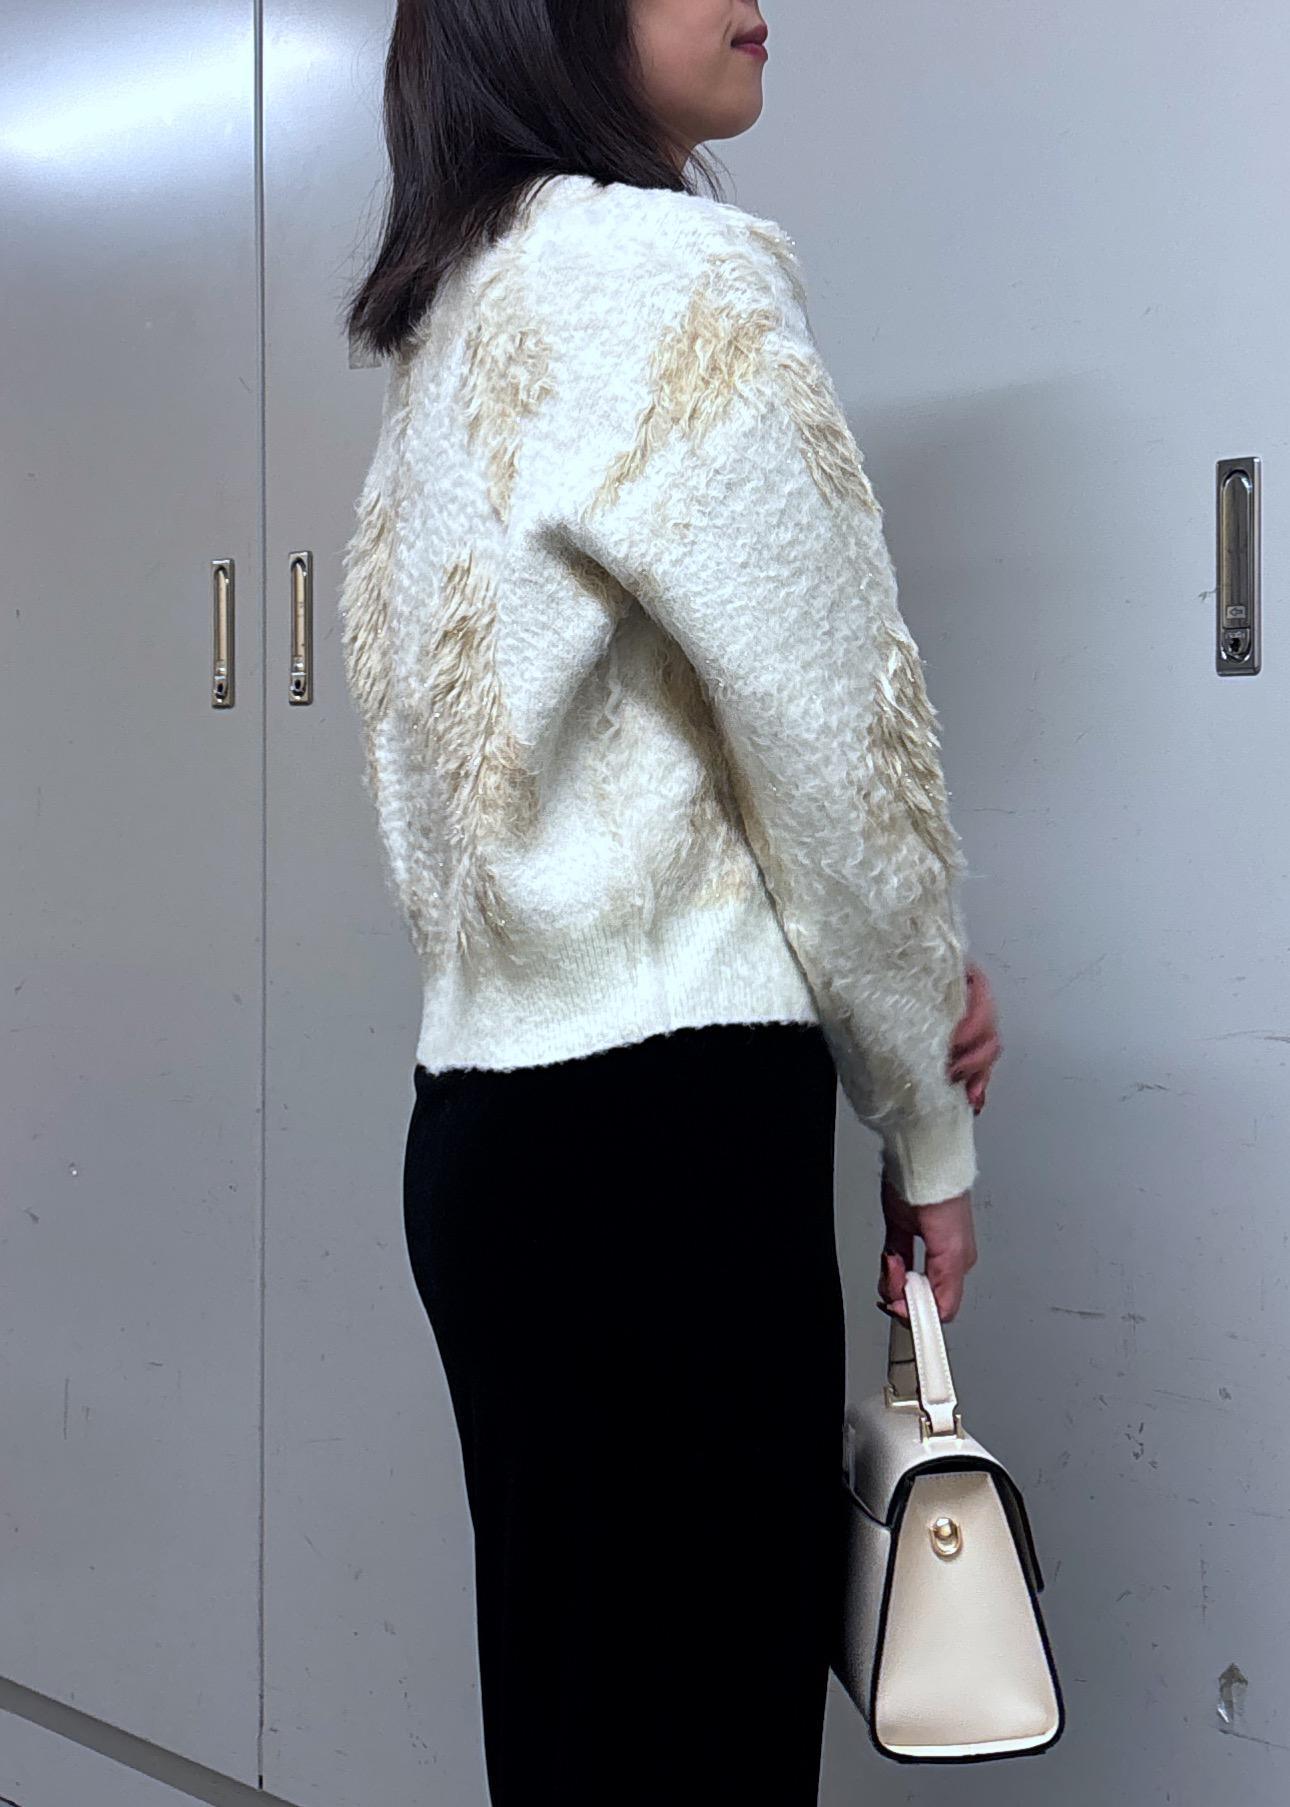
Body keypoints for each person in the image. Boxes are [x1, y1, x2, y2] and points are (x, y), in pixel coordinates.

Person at [341, 3, 1001, 1801]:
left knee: (576, 1745)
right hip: (667, 1143)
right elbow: (837, 737)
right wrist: (925, 1123)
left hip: (483, 1137)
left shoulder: (453, 314)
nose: (753, 0)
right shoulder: (672, 274)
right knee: (700, 1750)